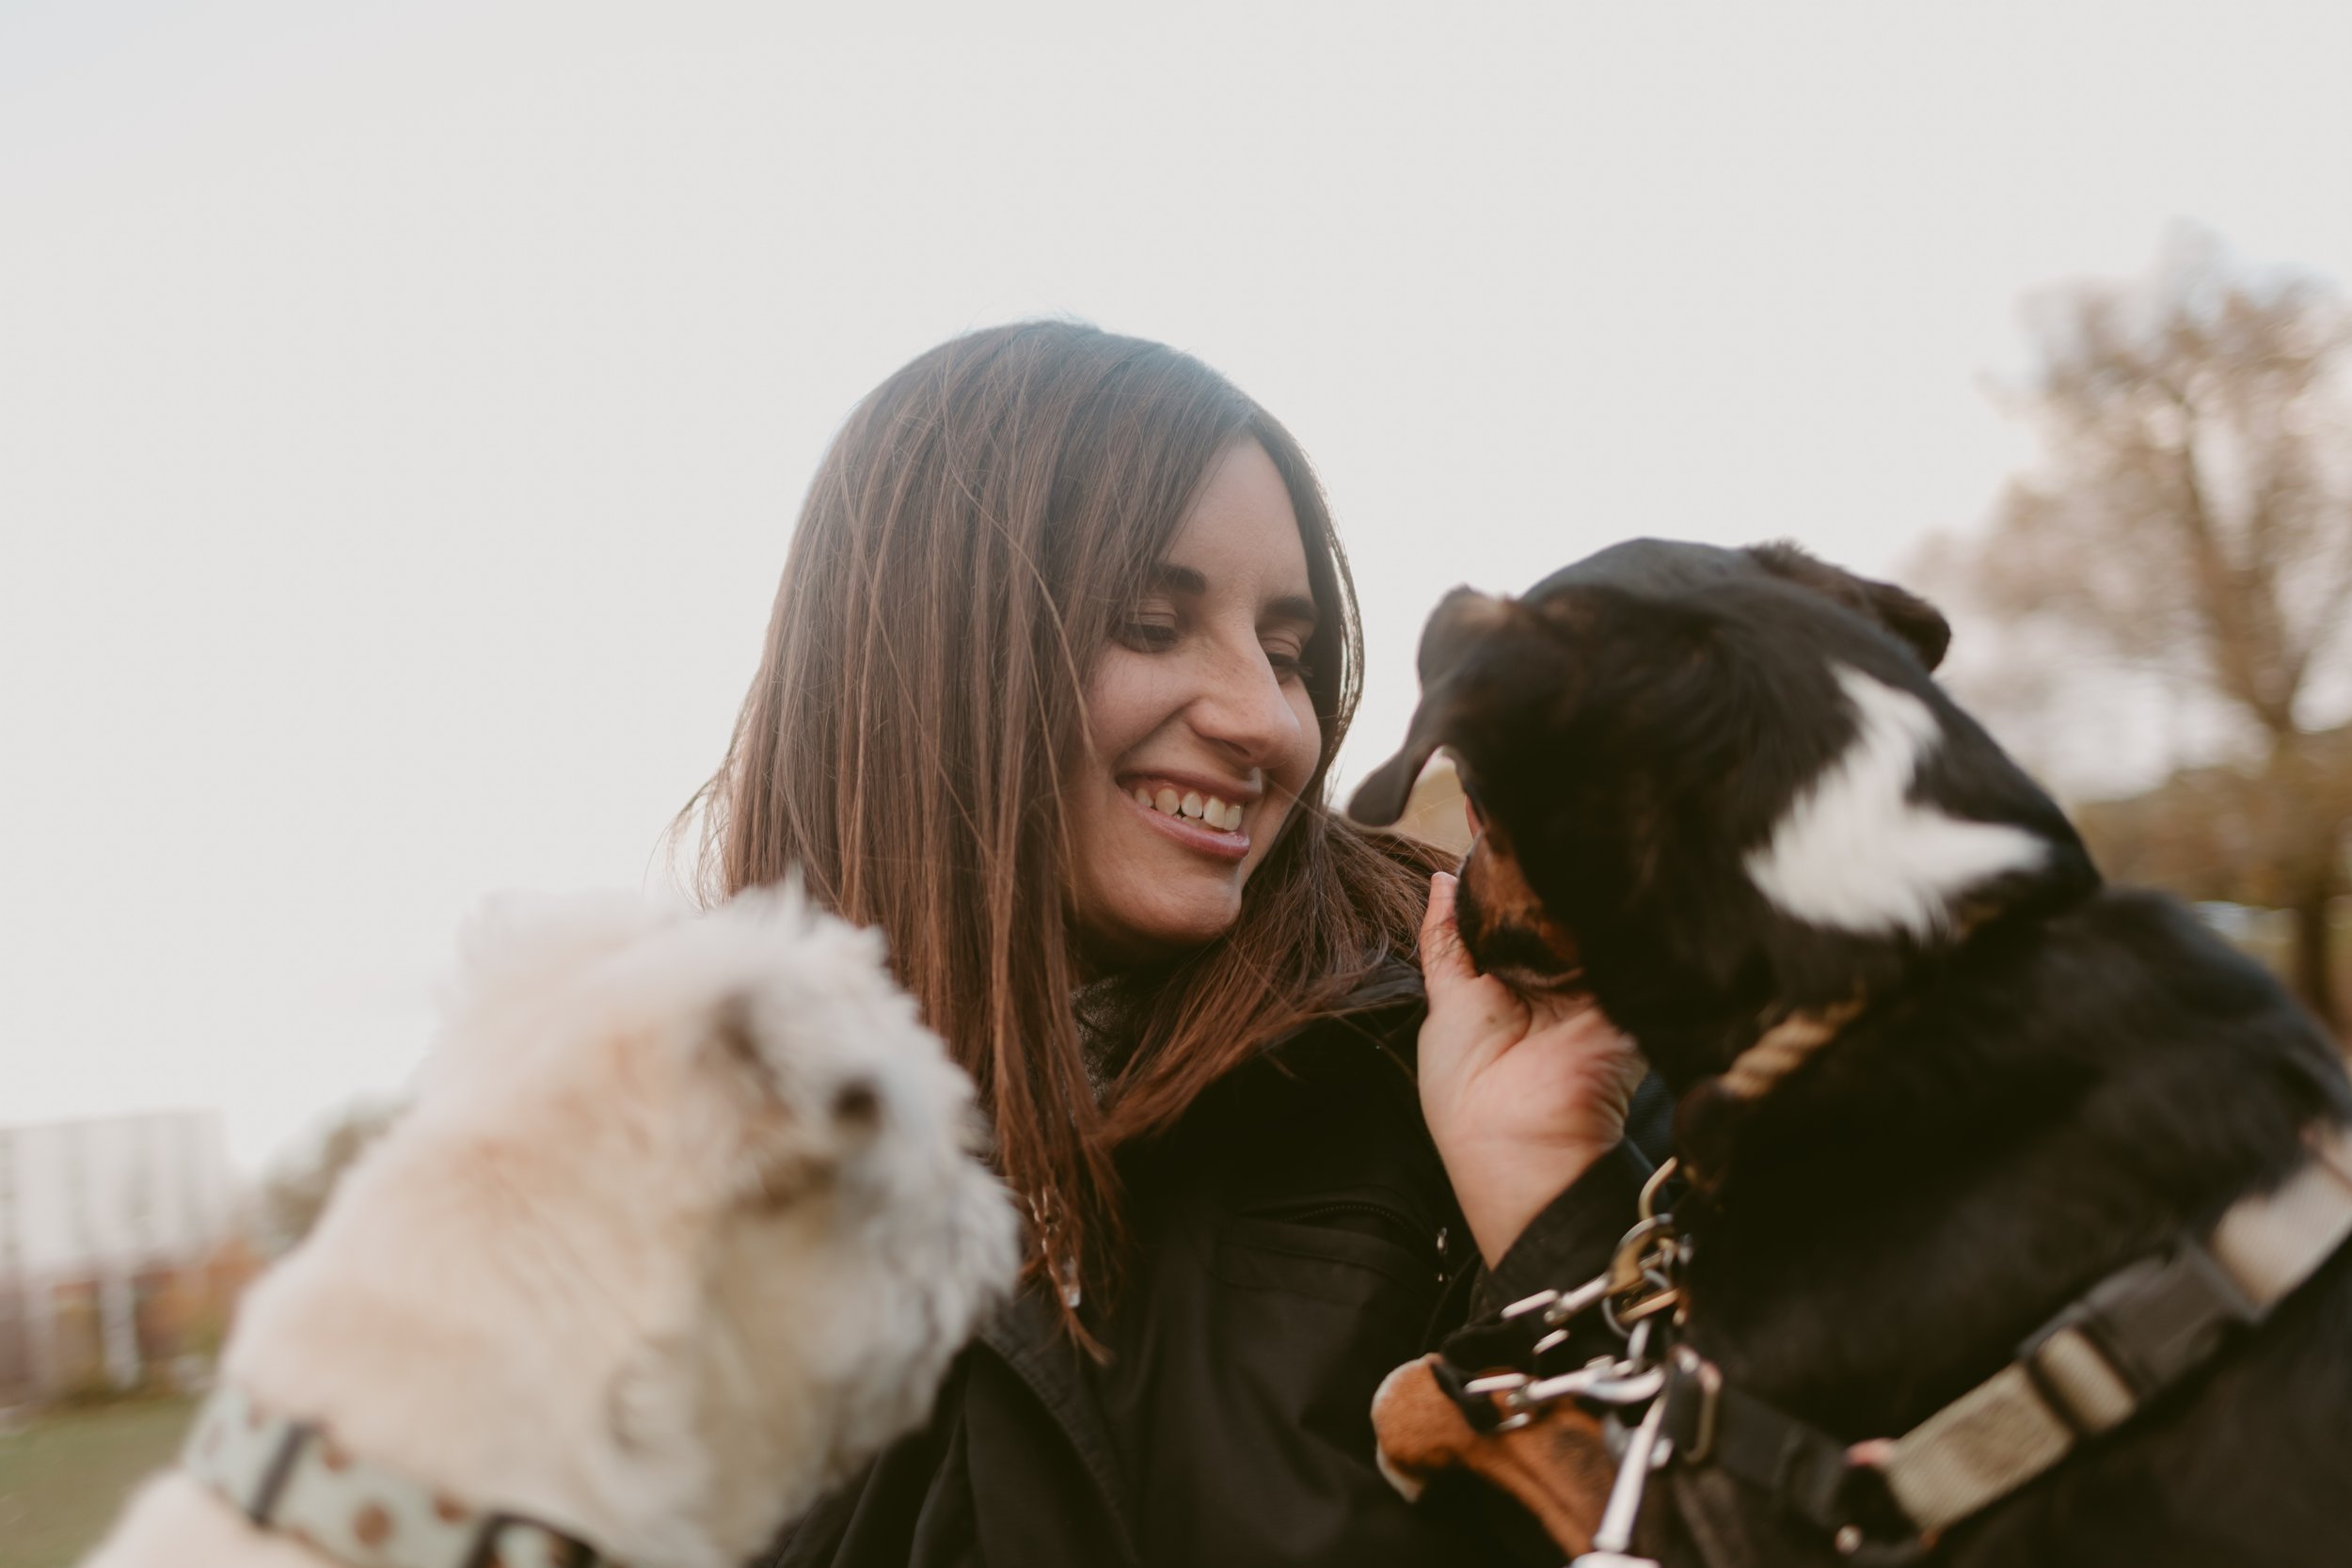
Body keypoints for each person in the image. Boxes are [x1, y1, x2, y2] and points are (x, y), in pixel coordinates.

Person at [694, 321, 1669, 1566]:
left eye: (1289, 655)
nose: (1265, 720)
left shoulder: (1464, 1084)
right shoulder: (671, 1232)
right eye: (1152, 625)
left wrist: (1555, 1220)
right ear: (931, 653)